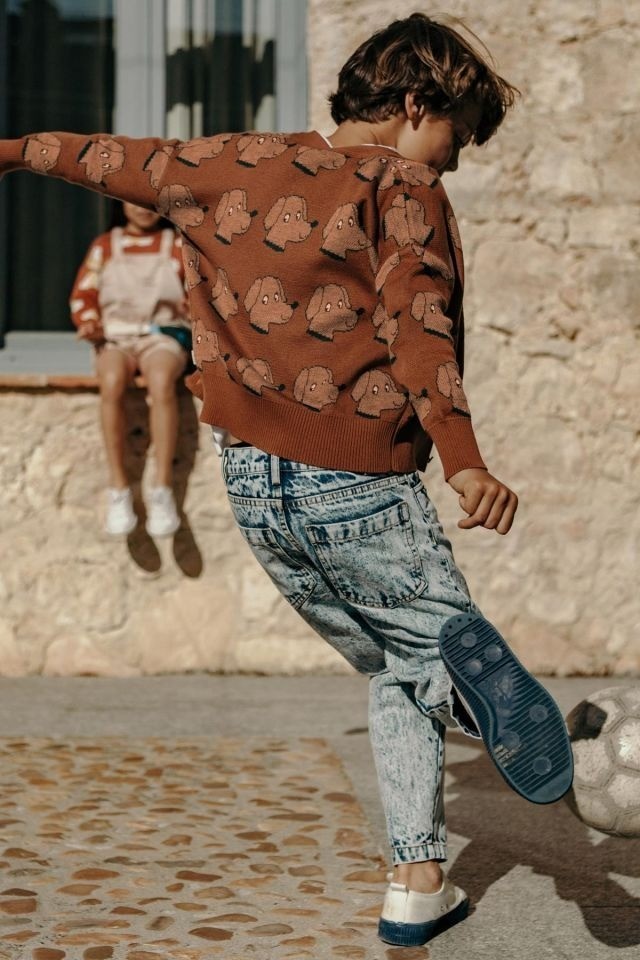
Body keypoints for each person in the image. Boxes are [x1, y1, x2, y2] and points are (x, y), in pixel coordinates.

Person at [0, 12, 574, 946]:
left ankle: (417, 883)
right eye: (458, 135)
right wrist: (464, 460)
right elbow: (418, 325)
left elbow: (109, 160)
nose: (455, 160)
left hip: (255, 489)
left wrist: (14, 151)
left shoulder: (229, 160)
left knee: (395, 668)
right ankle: (479, 691)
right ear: (416, 102)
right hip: (358, 482)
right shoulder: (402, 185)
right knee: (429, 653)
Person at [70, 200, 190, 537]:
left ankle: (162, 486)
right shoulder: (105, 246)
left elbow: (196, 293)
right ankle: (119, 486)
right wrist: (89, 321)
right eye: (132, 200)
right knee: (111, 381)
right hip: (116, 336)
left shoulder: (177, 245)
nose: (141, 208)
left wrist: (192, 311)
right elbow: (84, 294)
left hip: (162, 335)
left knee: (161, 380)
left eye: (148, 201)